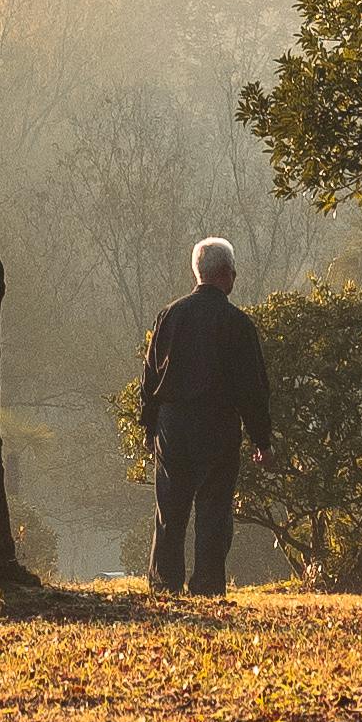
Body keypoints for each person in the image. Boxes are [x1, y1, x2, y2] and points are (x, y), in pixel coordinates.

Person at [139, 237, 272, 598]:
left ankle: (164, 583)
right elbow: (252, 388)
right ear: (226, 275)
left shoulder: (169, 316)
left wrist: (149, 425)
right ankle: (208, 584)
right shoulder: (237, 323)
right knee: (214, 508)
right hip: (217, 424)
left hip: (173, 424)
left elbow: (150, 377)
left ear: (198, 273)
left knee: (170, 508)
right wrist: (263, 439)